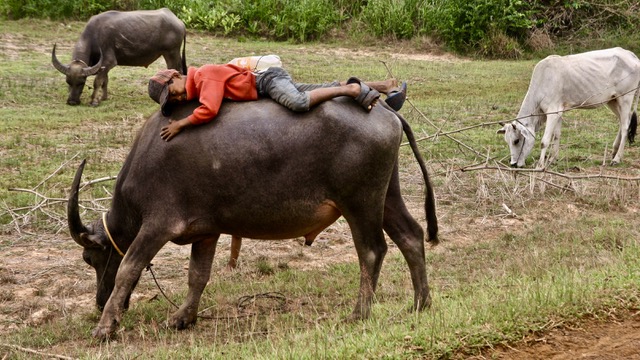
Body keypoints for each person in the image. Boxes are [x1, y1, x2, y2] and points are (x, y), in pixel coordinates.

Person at [148, 64, 407, 141]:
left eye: (174, 91)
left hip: (267, 83)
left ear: (176, 75)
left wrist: (181, 124)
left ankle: (353, 89)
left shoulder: (203, 76)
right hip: (267, 87)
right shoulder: (197, 83)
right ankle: (386, 87)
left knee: (299, 102)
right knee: (327, 88)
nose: (180, 97)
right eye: (175, 101)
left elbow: (210, 109)